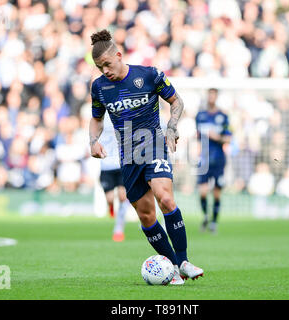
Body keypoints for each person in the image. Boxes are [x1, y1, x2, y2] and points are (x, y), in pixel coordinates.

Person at [88, 30, 203, 285]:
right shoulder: (99, 87)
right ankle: (173, 268)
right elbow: (96, 118)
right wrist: (93, 142)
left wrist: (172, 127)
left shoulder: (148, 75)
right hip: (127, 157)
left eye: (107, 64)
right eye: (99, 67)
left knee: (165, 197)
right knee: (146, 216)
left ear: (119, 55)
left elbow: (176, 102)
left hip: (153, 146)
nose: (104, 70)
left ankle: (183, 260)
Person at [195, 88, 231, 233]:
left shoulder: (223, 116)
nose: (211, 98)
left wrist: (216, 136)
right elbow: (197, 137)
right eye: (209, 95)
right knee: (203, 192)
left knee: (216, 193)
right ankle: (205, 216)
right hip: (204, 159)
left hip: (218, 159)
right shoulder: (200, 116)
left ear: (216, 97)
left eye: (213, 95)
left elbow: (228, 138)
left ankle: (214, 222)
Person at [99, 112, 130, 242]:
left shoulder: (123, 115)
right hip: (106, 165)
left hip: (121, 164)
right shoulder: (101, 117)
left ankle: (119, 228)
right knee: (110, 198)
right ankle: (110, 206)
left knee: (123, 196)